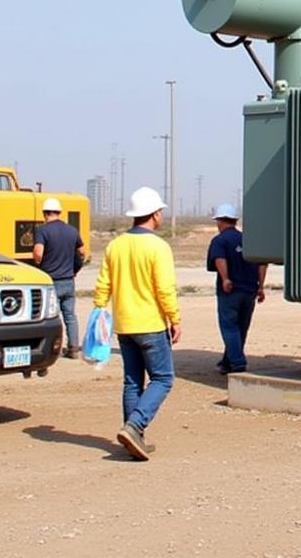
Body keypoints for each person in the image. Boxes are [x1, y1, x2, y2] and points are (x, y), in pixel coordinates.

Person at [93, 186, 181, 461]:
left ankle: (134, 439)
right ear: (154, 214)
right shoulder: (158, 246)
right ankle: (135, 425)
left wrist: (99, 312)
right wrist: (174, 318)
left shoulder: (115, 245)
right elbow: (164, 288)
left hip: (124, 324)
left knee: (132, 382)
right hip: (150, 323)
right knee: (163, 378)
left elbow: (103, 284)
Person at [206, 202, 267, 374]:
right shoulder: (248, 239)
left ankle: (238, 362)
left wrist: (225, 279)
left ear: (219, 221)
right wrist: (261, 286)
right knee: (241, 328)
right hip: (249, 290)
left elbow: (219, 259)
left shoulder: (219, 240)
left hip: (230, 291)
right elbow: (262, 262)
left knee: (229, 326)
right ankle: (227, 362)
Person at [32, 198, 87, 358]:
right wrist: (74, 269)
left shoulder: (42, 231)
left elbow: (38, 254)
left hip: (51, 281)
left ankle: (49, 349)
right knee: (70, 315)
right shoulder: (72, 230)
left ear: (44, 213)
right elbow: (82, 252)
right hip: (69, 280)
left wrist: (37, 264)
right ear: (59, 212)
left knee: (49, 317)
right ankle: (73, 348)